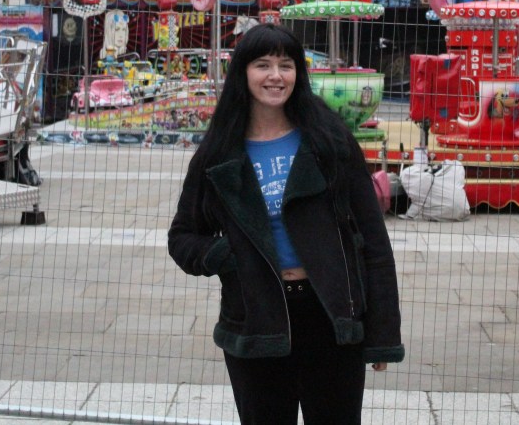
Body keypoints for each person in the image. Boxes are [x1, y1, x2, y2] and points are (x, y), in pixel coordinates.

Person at [168, 23, 404, 425]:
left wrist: (382, 336)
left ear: (299, 72)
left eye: (286, 64)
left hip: (330, 317)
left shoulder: (329, 139)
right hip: (256, 319)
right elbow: (182, 237)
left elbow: (374, 243)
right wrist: (227, 255)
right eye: (263, 64)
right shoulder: (219, 152)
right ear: (243, 72)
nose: (276, 76)